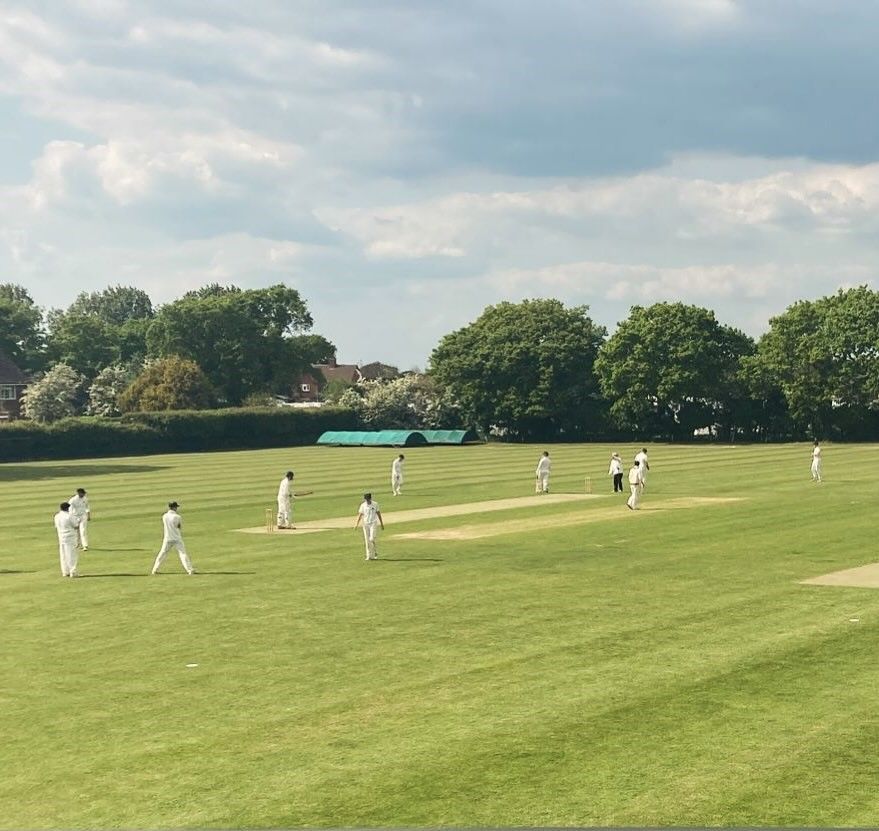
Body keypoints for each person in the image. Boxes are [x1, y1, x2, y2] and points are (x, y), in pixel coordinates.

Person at [151, 501, 195, 575]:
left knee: (162, 553)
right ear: (174, 507)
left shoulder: (164, 516)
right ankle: (189, 570)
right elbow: (179, 526)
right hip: (177, 538)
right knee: (183, 553)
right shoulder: (177, 517)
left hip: (167, 538)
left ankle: (155, 569)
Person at [54, 502, 81, 578]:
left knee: (63, 554)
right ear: (67, 508)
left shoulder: (57, 516)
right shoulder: (69, 516)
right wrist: (78, 521)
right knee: (71, 555)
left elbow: (56, 526)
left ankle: (65, 571)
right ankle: (73, 572)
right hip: (70, 537)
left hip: (61, 537)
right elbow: (75, 525)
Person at [354, 492, 384, 560]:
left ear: (370, 498)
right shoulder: (363, 505)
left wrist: (382, 524)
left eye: (368, 499)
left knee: (372, 539)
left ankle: (375, 551)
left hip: (373, 523)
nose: (367, 501)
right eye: (366, 499)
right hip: (365, 524)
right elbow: (360, 515)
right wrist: (356, 524)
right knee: (367, 540)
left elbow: (378, 513)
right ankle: (368, 556)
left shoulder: (375, 504)